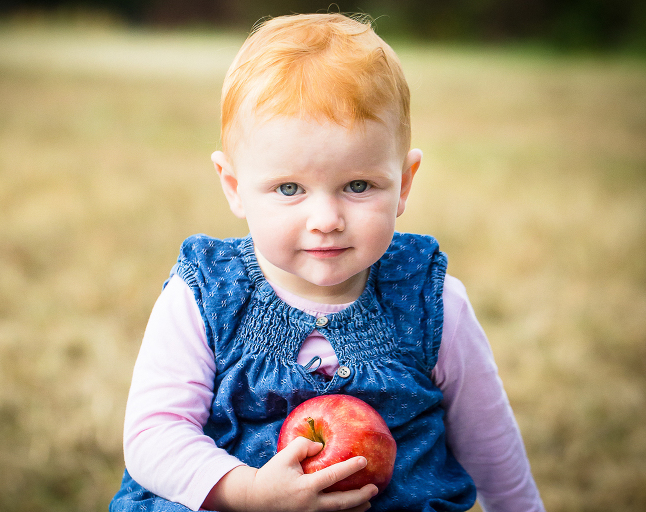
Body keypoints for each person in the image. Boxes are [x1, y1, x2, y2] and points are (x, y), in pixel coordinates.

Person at [110, 12, 544, 512]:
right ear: (234, 186)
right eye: (289, 188)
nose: (326, 219)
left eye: (358, 186)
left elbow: (490, 446)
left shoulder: (431, 300)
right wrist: (248, 493)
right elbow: (153, 434)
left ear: (403, 183)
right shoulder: (206, 294)